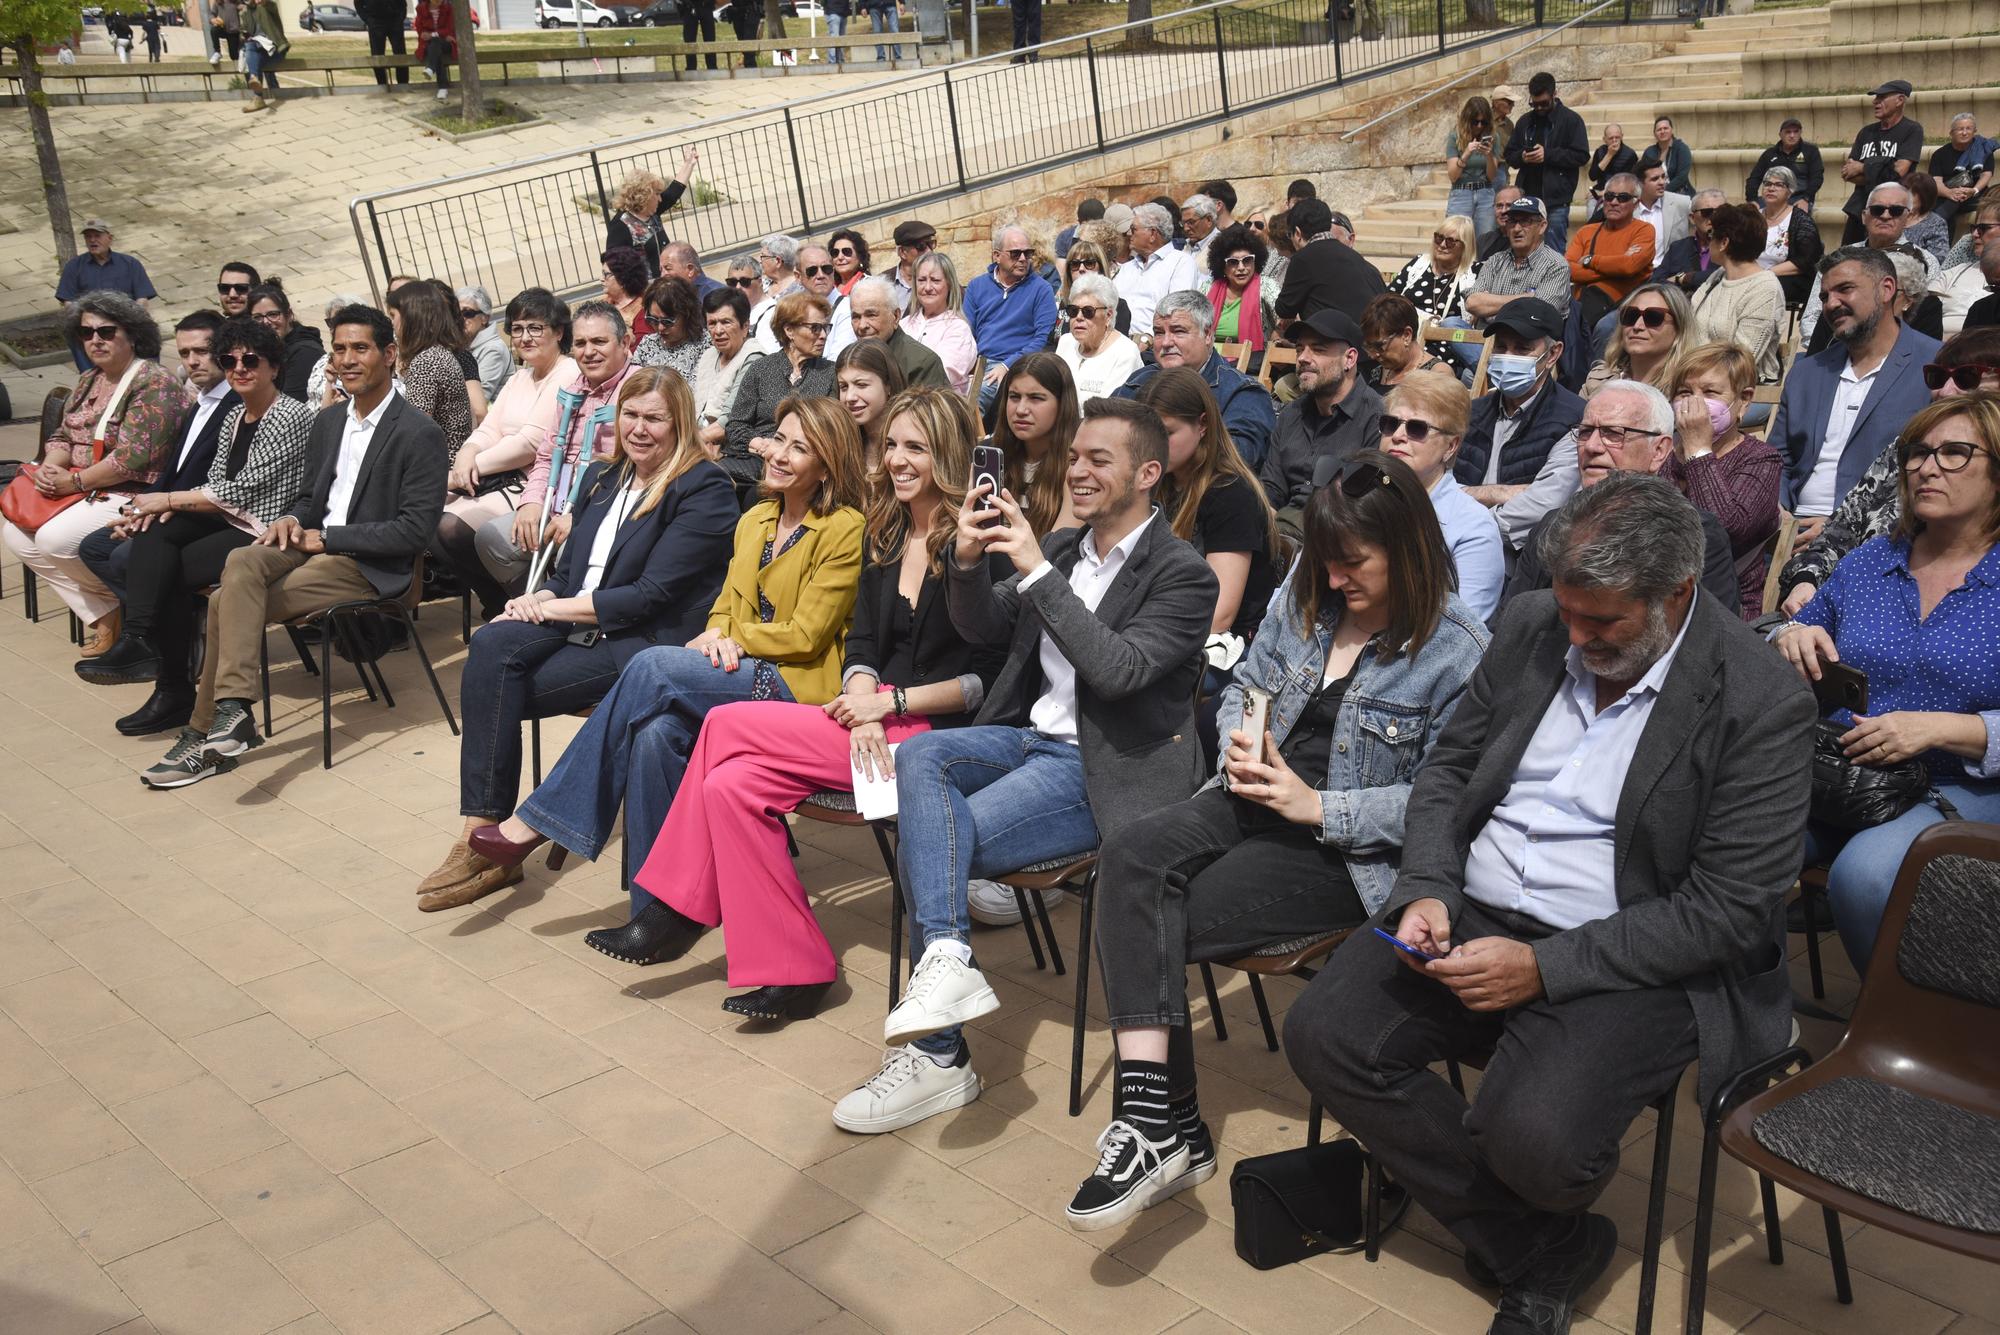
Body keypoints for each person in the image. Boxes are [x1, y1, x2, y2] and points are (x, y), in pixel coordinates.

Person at [1289, 471, 1814, 1335]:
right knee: (1326, 1035)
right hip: (1476, 906)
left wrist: (1545, 968)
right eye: (1567, 612)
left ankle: (1502, 1203)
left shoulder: (1759, 702)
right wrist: (1426, 885)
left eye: (1601, 622)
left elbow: (1728, 910)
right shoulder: (1537, 624)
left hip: (1631, 949)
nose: (1574, 636)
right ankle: (1543, 1250)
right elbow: (1449, 772)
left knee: (1534, 1142)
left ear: (1676, 594)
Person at [1069, 450, 1489, 1228]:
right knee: (1127, 855)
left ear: (1408, 548)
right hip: (1253, 795)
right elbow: (1244, 690)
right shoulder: (1307, 596)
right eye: (1324, 564)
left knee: (1157, 919)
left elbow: (1446, 802)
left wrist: (1318, 804)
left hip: (1342, 849)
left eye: (1351, 563)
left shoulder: (1459, 649)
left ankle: (1172, 1129)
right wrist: (1240, 739)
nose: (1333, 581)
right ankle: (1158, 1120)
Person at [831, 397, 1216, 1135]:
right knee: (928, 754)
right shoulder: (1071, 549)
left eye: (1097, 460)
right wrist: (969, 560)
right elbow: (983, 624)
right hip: (1030, 741)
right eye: (1073, 457)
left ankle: (940, 1059)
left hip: (1101, 771)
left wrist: (1039, 568)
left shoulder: (1183, 574)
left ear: (1147, 473)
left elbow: (1119, 671)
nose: (1076, 470)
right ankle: (947, 960)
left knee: (930, 838)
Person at [604, 388, 1006, 1014]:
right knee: (728, 787)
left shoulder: (982, 544)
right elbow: (864, 645)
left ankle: (681, 906)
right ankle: (796, 967)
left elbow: (990, 682)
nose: (897, 461)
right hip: (870, 721)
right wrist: (863, 695)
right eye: (893, 445)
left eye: (916, 449)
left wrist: (888, 704)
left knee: (728, 726)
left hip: (940, 739)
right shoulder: (888, 533)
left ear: (948, 456)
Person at [462, 397, 866, 906]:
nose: (779, 455)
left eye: (800, 448)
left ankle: (540, 820)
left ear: (828, 465)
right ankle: (659, 909)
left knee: (651, 665)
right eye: (779, 439)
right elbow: (725, 601)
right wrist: (718, 632)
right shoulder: (758, 518)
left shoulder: (844, 527)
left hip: (797, 682)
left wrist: (731, 638)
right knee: (655, 734)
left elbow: (807, 635)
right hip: (735, 663)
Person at [419, 368, 740, 910]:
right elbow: (568, 577)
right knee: (491, 647)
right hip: (577, 624)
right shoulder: (600, 478)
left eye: (654, 418)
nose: (639, 429)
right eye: (631, 415)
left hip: (637, 642)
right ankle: (481, 832)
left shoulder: (702, 488)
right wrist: (535, 600)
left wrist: (544, 609)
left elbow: (648, 595)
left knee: (493, 687)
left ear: (680, 421)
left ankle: (497, 851)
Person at [139, 305, 447, 788]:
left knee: (224, 601)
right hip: (310, 544)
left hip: (369, 564)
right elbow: (309, 500)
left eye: (360, 348)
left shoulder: (418, 432)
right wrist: (291, 520)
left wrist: (327, 537)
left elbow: (414, 532)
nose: (347, 359)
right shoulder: (328, 422)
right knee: (242, 558)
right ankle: (232, 714)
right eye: (340, 349)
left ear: (389, 355)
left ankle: (207, 729)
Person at [1775, 392, 2000, 970]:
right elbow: (1796, 627)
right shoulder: (1872, 560)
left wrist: (1941, 729)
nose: (1927, 467)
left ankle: (1909, 1036)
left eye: (1955, 453)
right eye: (1918, 453)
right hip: (1846, 774)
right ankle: (1757, 1022)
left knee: (1868, 875)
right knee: (1732, 846)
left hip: (1964, 782)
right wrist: (1790, 636)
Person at [76, 317, 315, 704]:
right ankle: (141, 644)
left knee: (166, 570)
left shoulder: (290, 414)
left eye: (250, 361)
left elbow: (244, 488)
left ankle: (171, 687)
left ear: (274, 366)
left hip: (264, 527)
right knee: (154, 533)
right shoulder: (235, 416)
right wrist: (154, 510)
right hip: (226, 517)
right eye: (229, 360)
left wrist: (170, 499)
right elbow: (217, 477)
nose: (239, 369)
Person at [3, 294, 192, 658]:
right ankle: (106, 610)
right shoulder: (90, 378)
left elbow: (133, 459)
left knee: (55, 540)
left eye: (106, 331)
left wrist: (72, 482)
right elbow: (63, 434)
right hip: (85, 486)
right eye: (86, 332)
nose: (95, 340)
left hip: (133, 492)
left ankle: (123, 610)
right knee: (17, 534)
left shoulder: (154, 383)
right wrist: (52, 465)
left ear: (133, 334)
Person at [75, 311, 235, 728]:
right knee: (98, 546)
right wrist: (137, 509)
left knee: (144, 561)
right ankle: (165, 658)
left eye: (203, 350)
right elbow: (172, 472)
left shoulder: (237, 402)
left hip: (221, 519)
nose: (194, 360)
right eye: (185, 353)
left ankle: (160, 666)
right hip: (177, 512)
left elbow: (220, 485)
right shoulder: (200, 402)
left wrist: (160, 506)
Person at [1774, 327, 2000, 615]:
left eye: (1967, 377)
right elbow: (1838, 533)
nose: (1945, 391)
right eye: (1938, 377)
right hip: (1845, 608)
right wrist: (1805, 582)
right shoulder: (1905, 447)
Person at [1504, 379, 1745, 613]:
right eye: (1586, 432)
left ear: (1659, 450)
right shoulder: (1552, 526)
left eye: (1613, 433)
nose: (1591, 447)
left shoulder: (1697, 535)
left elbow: (1711, 643)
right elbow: (1512, 624)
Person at [1773, 247, 1941, 537]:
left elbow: (1932, 469)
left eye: (1845, 289)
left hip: (1882, 534)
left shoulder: (1935, 366)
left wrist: (1839, 526)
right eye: (1825, 296)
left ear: (1887, 289)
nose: (1831, 303)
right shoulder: (1807, 372)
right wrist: (1776, 511)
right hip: (1791, 527)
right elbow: (1777, 459)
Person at [433, 289, 578, 621]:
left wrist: (469, 470)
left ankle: (516, 602)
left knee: (450, 528)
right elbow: (490, 428)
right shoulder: (520, 376)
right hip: (500, 476)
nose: (524, 337)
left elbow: (531, 442)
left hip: (533, 482)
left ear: (558, 332)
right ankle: (497, 600)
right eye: (517, 328)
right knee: (432, 516)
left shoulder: (567, 374)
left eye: (535, 328)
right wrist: (467, 453)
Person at [477, 301, 632, 596]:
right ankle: (533, 610)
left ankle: (554, 614)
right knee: (492, 538)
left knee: (566, 556)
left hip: (603, 510)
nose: (588, 352)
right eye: (581, 343)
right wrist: (532, 502)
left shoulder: (639, 389)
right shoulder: (573, 389)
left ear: (624, 342)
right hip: (556, 502)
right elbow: (547, 454)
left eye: (599, 341)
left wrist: (582, 516)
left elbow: (636, 472)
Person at [1137, 368, 1281, 644]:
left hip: (1219, 645)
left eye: (1166, 432)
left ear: (1202, 425)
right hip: (1161, 620)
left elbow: (1220, 614)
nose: (1153, 445)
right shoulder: (1161, 480)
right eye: (1146, 433)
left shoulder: (1231, 494)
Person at [1377, 373, 1504, 620]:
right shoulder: (1353, 498)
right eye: (1390, 423)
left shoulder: (1473, 528)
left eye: (1417, 428)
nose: (1398, 435)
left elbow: (1463, 633)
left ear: (1451, 446)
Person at [1114, 290, 1277, 471]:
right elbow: (1102, 429)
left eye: (1178, 331)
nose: (1166, 342)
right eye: (1159, 333)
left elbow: (1237, 459)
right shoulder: (1139, 380)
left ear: (1207, 335)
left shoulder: (1242, 393)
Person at [1260, 310, 1383, 539]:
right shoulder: (1291, 414)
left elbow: (1367, 506)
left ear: (1350, 359)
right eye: (1299, 349)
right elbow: (1271, 489)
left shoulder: (1377, 419)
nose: (1303, 358)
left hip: (1339, 539)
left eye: (1318, 349)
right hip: (1280, 535)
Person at [1454, 299, 1582, 503]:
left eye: (1522, 349)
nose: (1507, 357)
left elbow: (1548, 500)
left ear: (1552, 354)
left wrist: (1467, 498)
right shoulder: (1472, 413)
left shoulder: (1574, 419)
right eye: (1501, 346)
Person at [725, 291, 835, 487]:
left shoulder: (831, 373)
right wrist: (759, 443)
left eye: (826, 328)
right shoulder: (761, 368)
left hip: (804, 468)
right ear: (789, 330)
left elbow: (831, 431)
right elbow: (735, 426)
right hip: (755, 462)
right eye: (815, 328)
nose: (823, 335)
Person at [1455, 198, 1571, 371]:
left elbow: (1541, 313)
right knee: (1451, 324)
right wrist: (1526, 297)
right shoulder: (1495, 260)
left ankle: (1487, 370)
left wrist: (1490, 303)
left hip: (1525, 347)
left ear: (1542, 226)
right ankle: (1488, 369)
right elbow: (1472, 303)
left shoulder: (1556, 265)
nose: (1517, 229)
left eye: (1525, 222)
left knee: (1468, 376)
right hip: (1487, 341)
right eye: (1512, 221)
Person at [966, 225, 1061, 415]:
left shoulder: (1041, 289)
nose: (1023, 259)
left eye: (1028, 253)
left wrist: (1007, 365)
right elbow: (967, 332)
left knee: (975, 400)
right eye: (1016, 253)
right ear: (996, 256)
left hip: (1017, 365)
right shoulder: (977, 286)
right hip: (978, 363)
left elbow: (1041, 340)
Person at [1689, 203, 1788, 384]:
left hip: (1745, 389)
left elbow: (1741, 361)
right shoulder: (1718, 276)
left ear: (1724, 243)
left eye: (1711, 235)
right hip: (1696, 378)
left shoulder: (1765, 288)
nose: (1708, 241)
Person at [989, 353, 1081, 540]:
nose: (1021, 410)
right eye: (1014, 397)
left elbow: (1057, 550)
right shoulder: (990, 456)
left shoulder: (1077, 467)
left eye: (1036, 398)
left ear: (1062, 404)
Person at [385, 279, 474, 457]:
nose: (392, 324)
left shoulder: (426, 362)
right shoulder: (437, 353)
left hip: (441, 466)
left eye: (393, 316)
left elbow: (414, 430)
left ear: (410, 317)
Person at [55, 219, 157, 373]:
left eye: (97, 236)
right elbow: (68, 303)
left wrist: (133, 320)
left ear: (109, 238)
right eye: (88, 237)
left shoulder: (130, 264)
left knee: (149, 332)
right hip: (91, 325)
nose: (92, 240)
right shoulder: (74, 267)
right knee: (75, 335)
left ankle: (146, 374)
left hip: (124, 322)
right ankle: (90, 376)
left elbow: (142, 299)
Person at [1503, 72, 1589, 247]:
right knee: (1524, 250)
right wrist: (1523, 157)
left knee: (1554, 251)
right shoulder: (1525, 122)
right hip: (1527, 197)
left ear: (1554, 94)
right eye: (1535, 104)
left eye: (1544, 103)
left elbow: (1581, 155)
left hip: (1556, 200)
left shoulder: (1571, 120)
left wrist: (1548, 155)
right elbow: (1510, 155)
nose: (1540, 108)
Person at [1273, 199, 1388, 327]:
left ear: (1298, 233)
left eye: (1290, 235)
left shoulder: (1303, 258)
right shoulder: (1354, 256)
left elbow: (1284, 308)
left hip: (1339, 341)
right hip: (1372, 335)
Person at [1565, 173, 1656, 329]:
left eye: (1623, 197)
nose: (1614, 202)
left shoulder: (1644, 230)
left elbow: (1629, 266)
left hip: (1622, 305)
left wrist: (1590, 260)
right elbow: (1567, 269)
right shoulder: (1586, 231)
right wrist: (1617, 267)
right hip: (1580, 301)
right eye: (1609, 196)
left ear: (1636, 203)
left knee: (1604, 328)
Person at [1840, 79, 1925, 245]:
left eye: (1882, 97)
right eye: (1875, 98)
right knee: (1848, 255)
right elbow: (1849, 173)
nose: (1875, 102)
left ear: (1900, 100)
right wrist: (1881, 169)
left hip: (1891, 210)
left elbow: (1899, 170)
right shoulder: (1866, 132)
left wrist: (1863, 167)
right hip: (1860, 207)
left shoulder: (1912, 130)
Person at [1387, 215, 1477, 359]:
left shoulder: (1473, 273)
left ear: (1464, 246)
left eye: (1450, 242)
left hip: (1445, 348)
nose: (1442, 245)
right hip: (1405, 339)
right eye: (1439, 238)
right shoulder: (1419, 263)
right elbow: (1389, 297)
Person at [1114, 205, 1204, 349]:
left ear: (1152, 234)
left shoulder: (1180, 262)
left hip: (1158, 346)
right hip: (1118, 344)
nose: (1129, 234)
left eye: (1133, 229)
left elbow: (1178, 310)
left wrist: (1146, 338)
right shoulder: (1126, 268)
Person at [1584, 282, 1691, 397]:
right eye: (1631, 315)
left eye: (1653, 317)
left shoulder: (1688, 389)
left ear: (1679, 327)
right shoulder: (1597, 378)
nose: (1637, 326)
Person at [844, 276, 948, 390]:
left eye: (871, 315)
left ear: (896, 316)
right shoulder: (848, 360)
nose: (862, 325)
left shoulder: (923, 364)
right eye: (856, 317)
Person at [693, 286, 763, 451]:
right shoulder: (708, 355)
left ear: (745, 326)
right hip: (699, 439)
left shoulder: (754, 358)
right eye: (712, 323)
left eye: (726, 322)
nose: (718, 331)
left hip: (729, 447)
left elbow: (730, 420)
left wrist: (688, 442)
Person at [1056, 273, 1143, 401]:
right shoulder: (1066, 342)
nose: (1079, 317)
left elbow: (1110, 410)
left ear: (1108, 315)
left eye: (1088, 311)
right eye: (1073, 311)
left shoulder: (1126, 353)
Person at [904, 252, 979, 396]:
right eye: (921, 280)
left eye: (935, 280)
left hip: (939, 406)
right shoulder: (903, 324)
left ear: (949, 284)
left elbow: (940, 377)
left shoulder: (958, 328)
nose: (927, 287)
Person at [1204, 224, 1274, 369]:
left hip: (1250, 364)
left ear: (1256, 261)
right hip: (1207, 359)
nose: (1241, 267)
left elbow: (1284, 317)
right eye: (1233, 262)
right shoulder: (1208, 287)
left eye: (1247, 260)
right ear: (1222, 266)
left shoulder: (1266, 286)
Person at [1756, 165, 1826, 307]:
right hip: (1753, 276)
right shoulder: (1753, 217)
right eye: (1767, 184)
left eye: (1779, 185)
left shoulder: (1801, 220)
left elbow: (1806, 261)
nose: (1771, 188)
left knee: (1760, 289)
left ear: (1790, 191)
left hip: (1788, 278)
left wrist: (1765, 274)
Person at [834, 339, 907, 470]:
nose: (850, 397)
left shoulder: (915, 438)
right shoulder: (841, 444)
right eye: (844, 387)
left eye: (861, 385)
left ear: (888, 385)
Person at [243, 283, 321, 404]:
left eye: (273, 315)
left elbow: (290, 405)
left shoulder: (305, 352)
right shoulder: (265, 348)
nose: (265, 322)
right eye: (257, 317)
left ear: (289, 315)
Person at [1447, 97, 1504, 246]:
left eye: (1483, 122)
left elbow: (1492, 176)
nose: (1479, 126)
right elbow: (1453, 176)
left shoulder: (1493, 137)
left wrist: (1489, 155)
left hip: (1485, 192)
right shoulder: (1455, 137)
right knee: (1456, 240)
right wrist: (1466, 153)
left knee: (1484, 243)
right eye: (1475, 122)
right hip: (1461, 192)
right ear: (1467, 120)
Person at [606, 164, 678, 280]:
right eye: (657, 194)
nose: (660, 199)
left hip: (666, 285)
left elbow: (674, 193)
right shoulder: (621, 225)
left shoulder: (652, 213)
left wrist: (689, 163)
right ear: (645, 196)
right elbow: (615, 266)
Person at [1362, 294, 1449, 389]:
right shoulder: (1377, 374)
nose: (1373, 355)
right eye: (1369, 347)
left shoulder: (1437, 375)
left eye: (1379, 346)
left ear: (1406, 335)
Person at [631, 275, 709, 381]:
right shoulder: (648, 343)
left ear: (686, 315)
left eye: (667, 322)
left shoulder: (704, 344)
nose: (660, 328)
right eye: (653, 320)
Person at [1931, 113, 1996, 234]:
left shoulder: (1983, 150)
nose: (1964, 133)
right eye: (1960, 129)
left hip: (1975, 195)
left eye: (1968, 128)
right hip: (1946, 193)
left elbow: (1986, 175)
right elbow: (1936, 182)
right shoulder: (1939, 154)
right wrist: (1949, 193)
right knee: (1952, 201)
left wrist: (1974, 191)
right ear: (1951, 133)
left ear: (1974, 131)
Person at [1746, 118, 1824, 211]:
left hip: (1799, 198)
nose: (1792, 135)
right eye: (1788, 132)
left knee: (1797, 218)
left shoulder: (1811, 151)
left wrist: (1806, 199)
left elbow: (1817, 177)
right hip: (1772, 197)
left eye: (1796, 132)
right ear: (1780, 134)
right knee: (1749, 214)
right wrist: (1752, 199)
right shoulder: (1769, 154)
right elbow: (1754, 178)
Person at [1059, 238, 1130, 336]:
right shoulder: (1065, 303)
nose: (1081, 269)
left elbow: (1117, 346)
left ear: (1101, 269)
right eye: (1075, 264)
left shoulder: (1118, 306)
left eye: (1089, 263)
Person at [1634, 162, 1693, 272]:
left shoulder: (1681, 203)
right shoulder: (1628, 208)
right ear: (1640, 183)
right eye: (1655, 179)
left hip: (1671, 274)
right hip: (1637, 274)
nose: (1662, 182)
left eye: (1663, 177)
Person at [457, 287, 513, 401]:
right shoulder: (465, 344)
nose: (461, 318)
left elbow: (479, 399)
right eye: (456, 313)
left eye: (468, 313)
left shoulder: (493, 350)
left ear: (484, 318)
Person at [748, 234, 801, 350]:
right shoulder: (763, 283)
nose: (760, 261)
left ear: (777, 261)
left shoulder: (799, 291)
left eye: (763, 257)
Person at [238, 0, 288, 111]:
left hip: (276, 50)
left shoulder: (268, 6)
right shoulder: (246, 11)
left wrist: (264, 2)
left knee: (251, 49)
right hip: (258, 52)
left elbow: (270, 5)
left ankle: (258, 96)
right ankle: (255, 81)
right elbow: (245, 30)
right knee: (251, 46)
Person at [599, 247, 652, 347]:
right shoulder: (602, 304)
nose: (601, 279)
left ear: (623, 278)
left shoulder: (643, 308)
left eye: (606, 274)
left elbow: (641, 346)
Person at [1903, 173, 1953, 265]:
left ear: (1925, 197)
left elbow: (1939, 258)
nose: (1906, 197)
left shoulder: (1936, 223)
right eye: (1905, 192)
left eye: (1912, 194)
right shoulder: (1893, 214)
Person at [885, 220, 935, 313]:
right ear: (902, 252)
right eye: (921, 246)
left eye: (931, 244)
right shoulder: (883, 284)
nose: (929, 251)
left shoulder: (942, 277)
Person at [1637, 115, 1693, 197]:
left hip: (1679, 193)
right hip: (1654, 194)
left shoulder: (1681, 149)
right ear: (1655, 134)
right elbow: (1642, 174)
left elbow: (1682, 177)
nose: (1662, 131)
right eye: (1659, 130)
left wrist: (1663, 190)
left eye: (1665, 128)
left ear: (1671, 130)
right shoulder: (1649, 152)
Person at [1588, 123, 1637, 208]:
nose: (1614, 140)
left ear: (1622, 136)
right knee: (1591, 205)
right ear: (1605, 139)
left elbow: (1629, 182)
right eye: (1611, 138)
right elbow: (1592, 176)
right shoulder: (1600, 152)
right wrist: (1609, 155)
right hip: (1600, 189)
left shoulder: (1630, 154)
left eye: (1617, 137)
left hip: (1621, 193)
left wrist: (1607, 192)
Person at [414, 0, 456, 101]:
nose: (439, 2)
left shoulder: (448, 8)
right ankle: (442, 88)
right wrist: (424, 35)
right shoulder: (421, 9)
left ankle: (430, 68)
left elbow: (449, 29)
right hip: (429, 44)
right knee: (436, 51)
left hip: (447, 43)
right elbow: (420, 29)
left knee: (435, 43)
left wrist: (433, 35)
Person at [828, 229, 871, 297]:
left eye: (846, 252)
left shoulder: (870, 286)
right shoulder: (828, 288)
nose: (840, 257)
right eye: (835, 253)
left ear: (860, 257)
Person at [1180, 195, 1221, 263]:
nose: (1186, 228)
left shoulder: (1223, 246)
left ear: (1209, 220)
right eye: (1183, 223)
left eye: (1191, 222)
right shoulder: (1184, 246)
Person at [680, 0, 717, 70]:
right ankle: (691, 67)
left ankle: (712, 67)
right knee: (689, 40)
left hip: (706, 6)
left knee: (710, 38)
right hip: (689, 6)